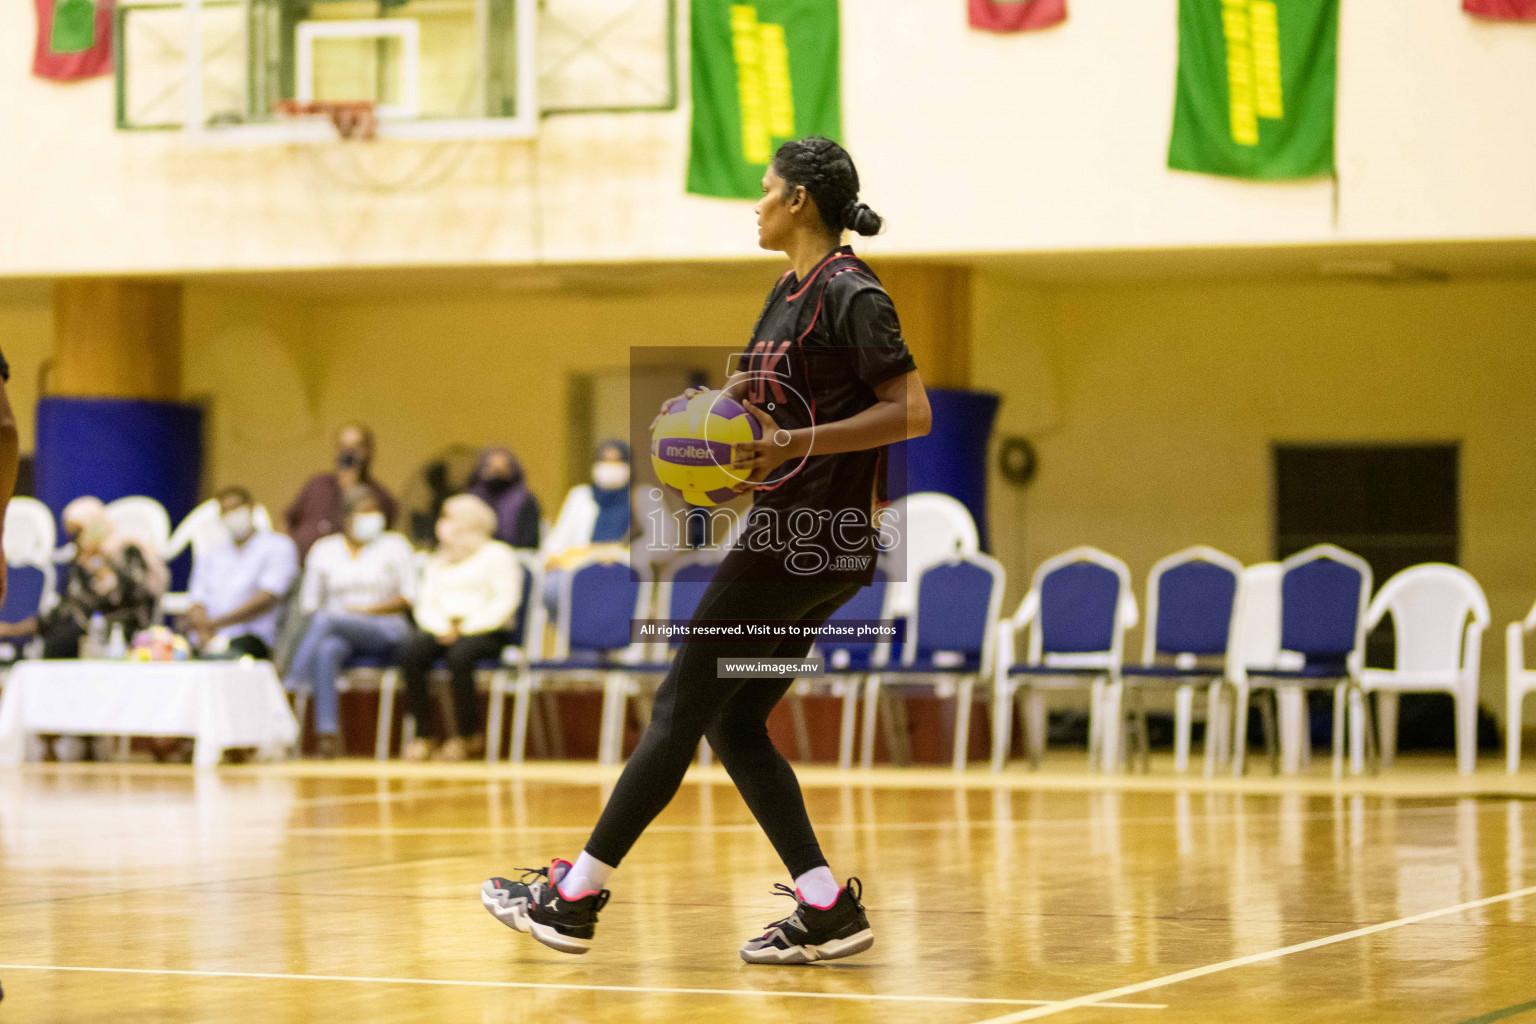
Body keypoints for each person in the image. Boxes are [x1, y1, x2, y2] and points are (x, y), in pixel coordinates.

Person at [482, 137, 931, 963]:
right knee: (734, 721)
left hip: (804, 540)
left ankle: (573, 896)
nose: (754, 204)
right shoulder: (786, 291)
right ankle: (826, 907)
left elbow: (912, 411)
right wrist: (711, 434)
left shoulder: (853, 292)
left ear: (800, 201)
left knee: (678, 708)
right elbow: (754, 400)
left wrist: (794, 439)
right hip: (804, 540)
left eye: (765, 190)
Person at [285, 487, 416, 759]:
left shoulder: (396, 545)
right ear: (346, 518)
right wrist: (344, 616)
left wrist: (365, 609)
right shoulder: (324, 550)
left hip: (387, 628)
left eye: (375, 511)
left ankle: (290, 687)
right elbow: (310, 602)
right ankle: (327, 736)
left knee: (329, 620)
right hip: (339, 632)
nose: (373, 517)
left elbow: (409, 596)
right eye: (365, 511)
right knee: (327, 649)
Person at [398, 494, 522, 763]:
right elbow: (426, 602)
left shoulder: (497, 554)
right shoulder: (438, 559)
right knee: (412, 654)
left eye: (448, 517)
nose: (441, 523)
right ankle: (424, 735)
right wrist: (443, 627)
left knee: (461, 656)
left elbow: (505, 601)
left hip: (487, 631)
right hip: (442, 629)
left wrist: (465, 627)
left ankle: (469, 736)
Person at [7, 496, 169, 658]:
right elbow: (67, 605)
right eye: (71, 535)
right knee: (54, 640)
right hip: (81, 631)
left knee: (63, 640)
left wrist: (102, 571)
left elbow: (134, 599)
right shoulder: (79, 561)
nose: (75, 540)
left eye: (78, 532)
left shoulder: (126, 551)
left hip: (121, 631)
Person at [184, 486, 299, 660]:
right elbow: (196, 599)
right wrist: (203, 628)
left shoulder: (278, 546)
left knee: (221, 659)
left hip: (252, 638)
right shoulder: (211, 553)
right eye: (226, 510)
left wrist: (216, 624)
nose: (232, 515)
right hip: (206, 637)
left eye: (236, 508)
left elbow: (267, 599)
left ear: (251, 509)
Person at [539, 440, 634, 612]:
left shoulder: (641, 497)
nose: (610, 467)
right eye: (604, 461)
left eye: (617, 461)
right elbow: (557, 540)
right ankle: (573, 637)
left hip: (621, 569)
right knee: (549, 588)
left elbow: (661, 544)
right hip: (578, 568)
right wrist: (555, 558)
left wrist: (616, 555)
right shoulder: (579, 495)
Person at [285, 422, 398, 561]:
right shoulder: (317, 484)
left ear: (368, 451)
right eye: (343, 446)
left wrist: (352, 489)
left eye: (356, 446)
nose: (348, 453)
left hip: (348, 575)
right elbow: (289, 520)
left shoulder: (379, 496)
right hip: (303, 568)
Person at [468, 446, 541, 549]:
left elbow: (529, 541)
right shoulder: (471, 501)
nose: (496, 474)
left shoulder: (525, 500)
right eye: (491, 469)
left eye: (501, 470)